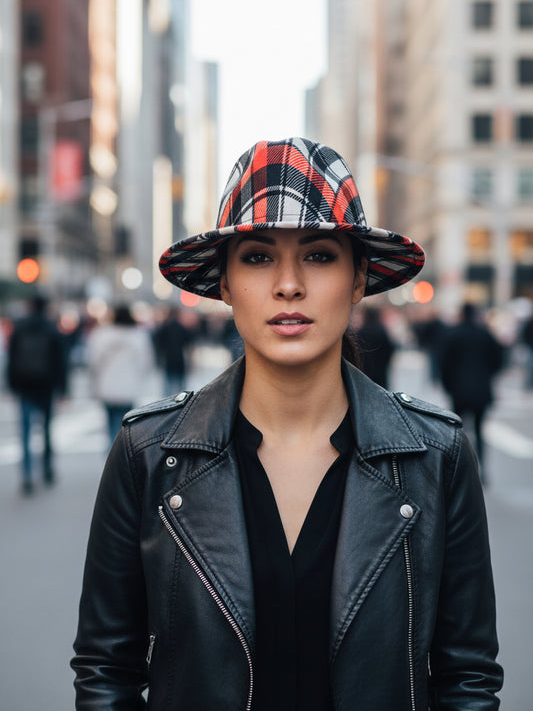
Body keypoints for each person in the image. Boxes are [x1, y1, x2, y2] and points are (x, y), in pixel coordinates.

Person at [72, 138, 502, 709]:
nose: (289, 283)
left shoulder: (436, 454)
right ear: (224, 283)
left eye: (320, 255)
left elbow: (467, 676)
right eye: (257, 256)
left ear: (357, 280)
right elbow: (107, 669)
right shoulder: (148, 453)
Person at [7, 295, 67, 494]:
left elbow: (12, 357)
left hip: (24, 385)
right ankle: (47, 469)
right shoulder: (51, 328)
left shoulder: (20, 327)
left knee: (25, 431)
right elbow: (61, 360)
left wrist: (12, 384)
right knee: (47, 429)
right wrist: (63, 387)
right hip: (46, 385)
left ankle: (26, 474)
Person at [440, 302, 504, 483]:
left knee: (456, 434)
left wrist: (448, 385)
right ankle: (482, 469)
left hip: (459, 390)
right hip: (481, 389)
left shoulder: (453, 334)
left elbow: (444, 363)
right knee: (479, 430)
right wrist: (488, 375)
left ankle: (458, 474)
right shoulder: (485, 333)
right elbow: (499, 359)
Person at [86, 304, 155, 448]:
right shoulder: (139, 336)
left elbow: (93, 362)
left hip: (107, 387)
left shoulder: (102, 335)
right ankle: (121, 458)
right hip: (128, 388)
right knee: (126, 427)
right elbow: (146, 363)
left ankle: (111, 457)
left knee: (110, 425)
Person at [152, 306, 194, 395]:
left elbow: (158, 343)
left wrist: (158, 358)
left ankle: (168, 400)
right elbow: (189, 344)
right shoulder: (181, 327)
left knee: (168, 382)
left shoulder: (165, 327)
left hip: (168, 357)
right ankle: (181, 399)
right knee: (181, 383)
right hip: (179, 357)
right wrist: (191, 361)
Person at [357, 305, 395, 388]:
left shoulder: (362, 332)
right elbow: (389, 349)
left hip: (365, 368)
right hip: (381, 368)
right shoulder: (381, 331)